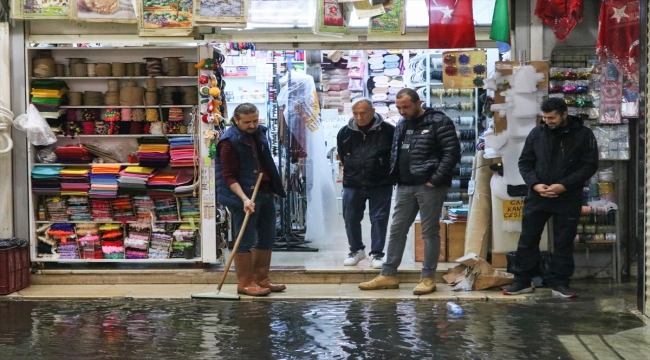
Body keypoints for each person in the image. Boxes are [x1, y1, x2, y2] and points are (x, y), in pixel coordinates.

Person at [359, 88, 461, 295]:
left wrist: (436, 179)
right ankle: (388, 274)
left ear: (418, 103)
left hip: (429, 186)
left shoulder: (438, 122)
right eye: (398, 107)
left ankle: (427, 277)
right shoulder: (402, 123)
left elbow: (452, 152)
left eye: (405, 107)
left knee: (429, 232)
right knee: (397, 230)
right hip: (405, 185)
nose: (402, 111)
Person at [503, 98, 598, 298]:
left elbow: (589, 165)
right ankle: (522, 280)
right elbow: (525, 162)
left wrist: (564, 185)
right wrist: (535, 185)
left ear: (564, 114)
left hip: (568, 196)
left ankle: (560, 283)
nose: (548, 121)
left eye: (552, 117)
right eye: (545, 117)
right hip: (538, 195)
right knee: (528, 238)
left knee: (564, 241)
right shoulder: (537, 133)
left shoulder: (583, 135)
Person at [216, 103, 287, 296]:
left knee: (267, 236)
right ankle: (245, 283)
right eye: (247, 122)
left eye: (255, 120)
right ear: (236, 120)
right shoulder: (228, 142)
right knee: (245, 239)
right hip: (242, 196)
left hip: (264, 192)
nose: (252, 125)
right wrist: (244, 199)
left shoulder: (260, 133)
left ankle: (261, 279)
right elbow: (228, 176)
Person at [337, 98, 395, 269]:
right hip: (353, 182)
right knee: (350, 218)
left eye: (363, 113)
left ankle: (377, 254)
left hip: (381, 183)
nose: (359, 117)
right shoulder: (345, 132)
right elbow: (342, 155)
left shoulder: (388, 131)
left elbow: (395, 156)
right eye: (355, 113)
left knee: (379, 218)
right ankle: (356, 250)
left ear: (372, 111)